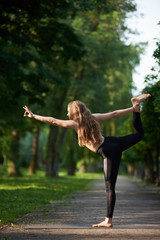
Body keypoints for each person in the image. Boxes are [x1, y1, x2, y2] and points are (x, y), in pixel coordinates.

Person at [23, 93, 151, 228]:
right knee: (139, 134)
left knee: (109, 188)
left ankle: (108, 220)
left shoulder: (74, 124)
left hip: (108, 151)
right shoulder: (92, 118)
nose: (67, 114)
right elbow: (114, 114)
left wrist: (34, 115)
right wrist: (132, 109)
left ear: (73, 112)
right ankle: (136, 106)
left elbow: (53, 120)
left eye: (68, 111)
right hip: (113, 142)